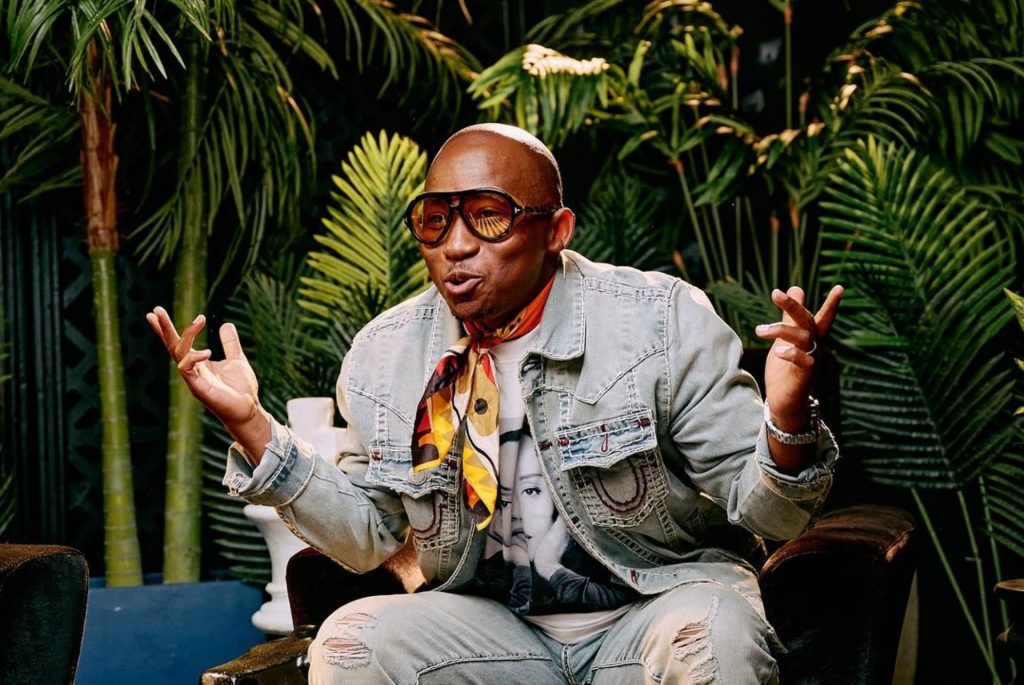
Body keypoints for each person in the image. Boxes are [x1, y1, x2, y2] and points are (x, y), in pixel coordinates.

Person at [148, 123, 843, 684]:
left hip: (655, 608)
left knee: (712, 635)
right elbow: (369, 536)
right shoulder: (386, 355)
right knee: (352, 643)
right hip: (491, 632)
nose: (455, 246)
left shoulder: (657, 322)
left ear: (556, 229)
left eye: (487, 218)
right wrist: (253, 427)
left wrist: (787, 420)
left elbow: (772, 515)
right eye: (435, 220)